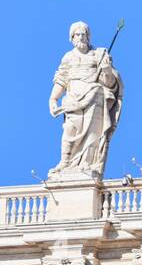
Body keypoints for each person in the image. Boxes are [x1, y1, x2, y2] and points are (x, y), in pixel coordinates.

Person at [48, 22, 122, 178]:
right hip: (73, 99)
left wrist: (107, 70)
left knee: (92, 135)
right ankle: (65, 161)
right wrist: (53, 99)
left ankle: (87, 164)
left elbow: (110, 83)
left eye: (84, 34)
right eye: (77, 34)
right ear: (72, 38)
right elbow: (61, 80)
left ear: (88, 37)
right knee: (70, 130)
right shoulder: (68, 57)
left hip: (95, 98)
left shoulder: (99, 54)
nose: (81, 37)